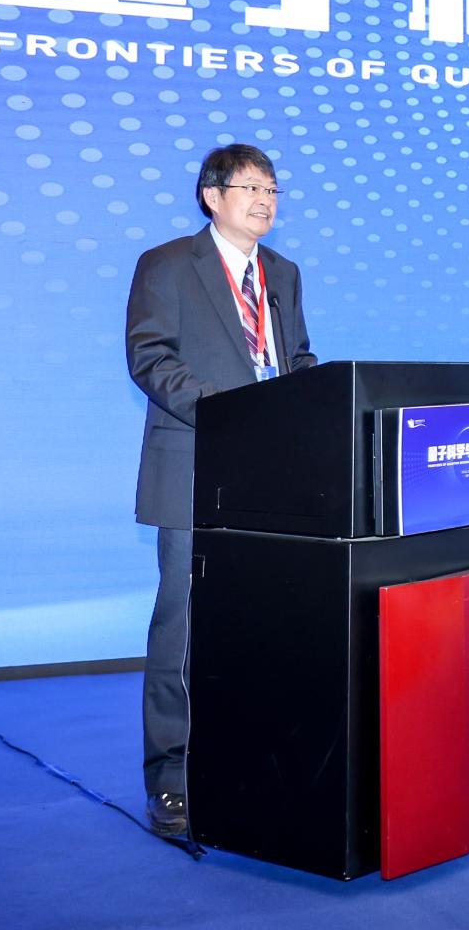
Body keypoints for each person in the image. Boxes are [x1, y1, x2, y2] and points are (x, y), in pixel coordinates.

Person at [124, 143, 316, 840]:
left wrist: (315, 400)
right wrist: (230, 413)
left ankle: (248, 763)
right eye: (251, 188)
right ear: (212, 195)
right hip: (195, 466)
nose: (265, 201)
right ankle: (171, 779)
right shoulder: (168, 264)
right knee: (183, 630)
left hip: (271, 477)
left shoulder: (283, 274)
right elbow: (150, 358)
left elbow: (295, 360)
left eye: (272, 190)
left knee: (261, 624)